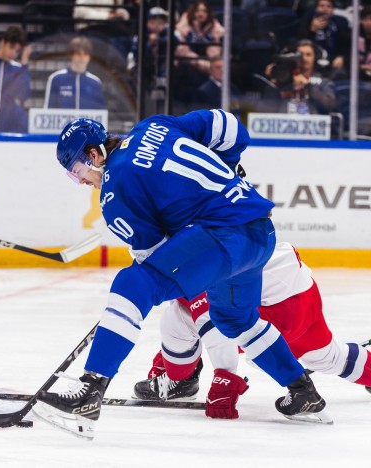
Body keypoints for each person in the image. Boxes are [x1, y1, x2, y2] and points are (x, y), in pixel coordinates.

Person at [32, 111, 326, 439]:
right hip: (259, 232)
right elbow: (230, 127)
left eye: (77, 171)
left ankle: (89, 390)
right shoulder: (154, 126)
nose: (83, 181)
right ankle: (303, 391)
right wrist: (228, 168)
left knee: (133, 284)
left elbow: (156, 256)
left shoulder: (115, 192)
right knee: (234, 319)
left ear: (93, 153)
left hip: (224, 238)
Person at [134, 242, 371, 420]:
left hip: (270, 310)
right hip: (300, 289)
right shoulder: (195, 224)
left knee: (178, 316)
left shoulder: (180, 263)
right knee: (327, 356)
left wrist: (225, 380)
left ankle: (179, 383)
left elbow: (213, 323)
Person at [261, 40, 337, 115]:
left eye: (308, 55)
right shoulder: (283, 80)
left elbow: (330, 106)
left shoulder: (323, 83)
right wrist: (273, 81)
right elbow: (266, 109)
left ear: (314, 58)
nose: (304, 58)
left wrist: (308, 86)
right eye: (300, 55)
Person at [43, 36, 105, 110]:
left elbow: (100, 111)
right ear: (71, 55)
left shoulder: (95, 82)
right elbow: (48, 109)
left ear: (89, 57)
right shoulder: (56, 79)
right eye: (78, 54)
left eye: (85, 54)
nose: (82, 58)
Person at [299, 0, 350, 80]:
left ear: (333, 10)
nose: (325, 9)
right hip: (313, 63)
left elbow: (347, 46)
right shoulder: (307, 22)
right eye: (322, 6)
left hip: (332, 64)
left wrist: (342, 57)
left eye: (329, 6)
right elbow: (301, 43)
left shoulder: (339, 24)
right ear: (316, 9)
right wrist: (312, 30)